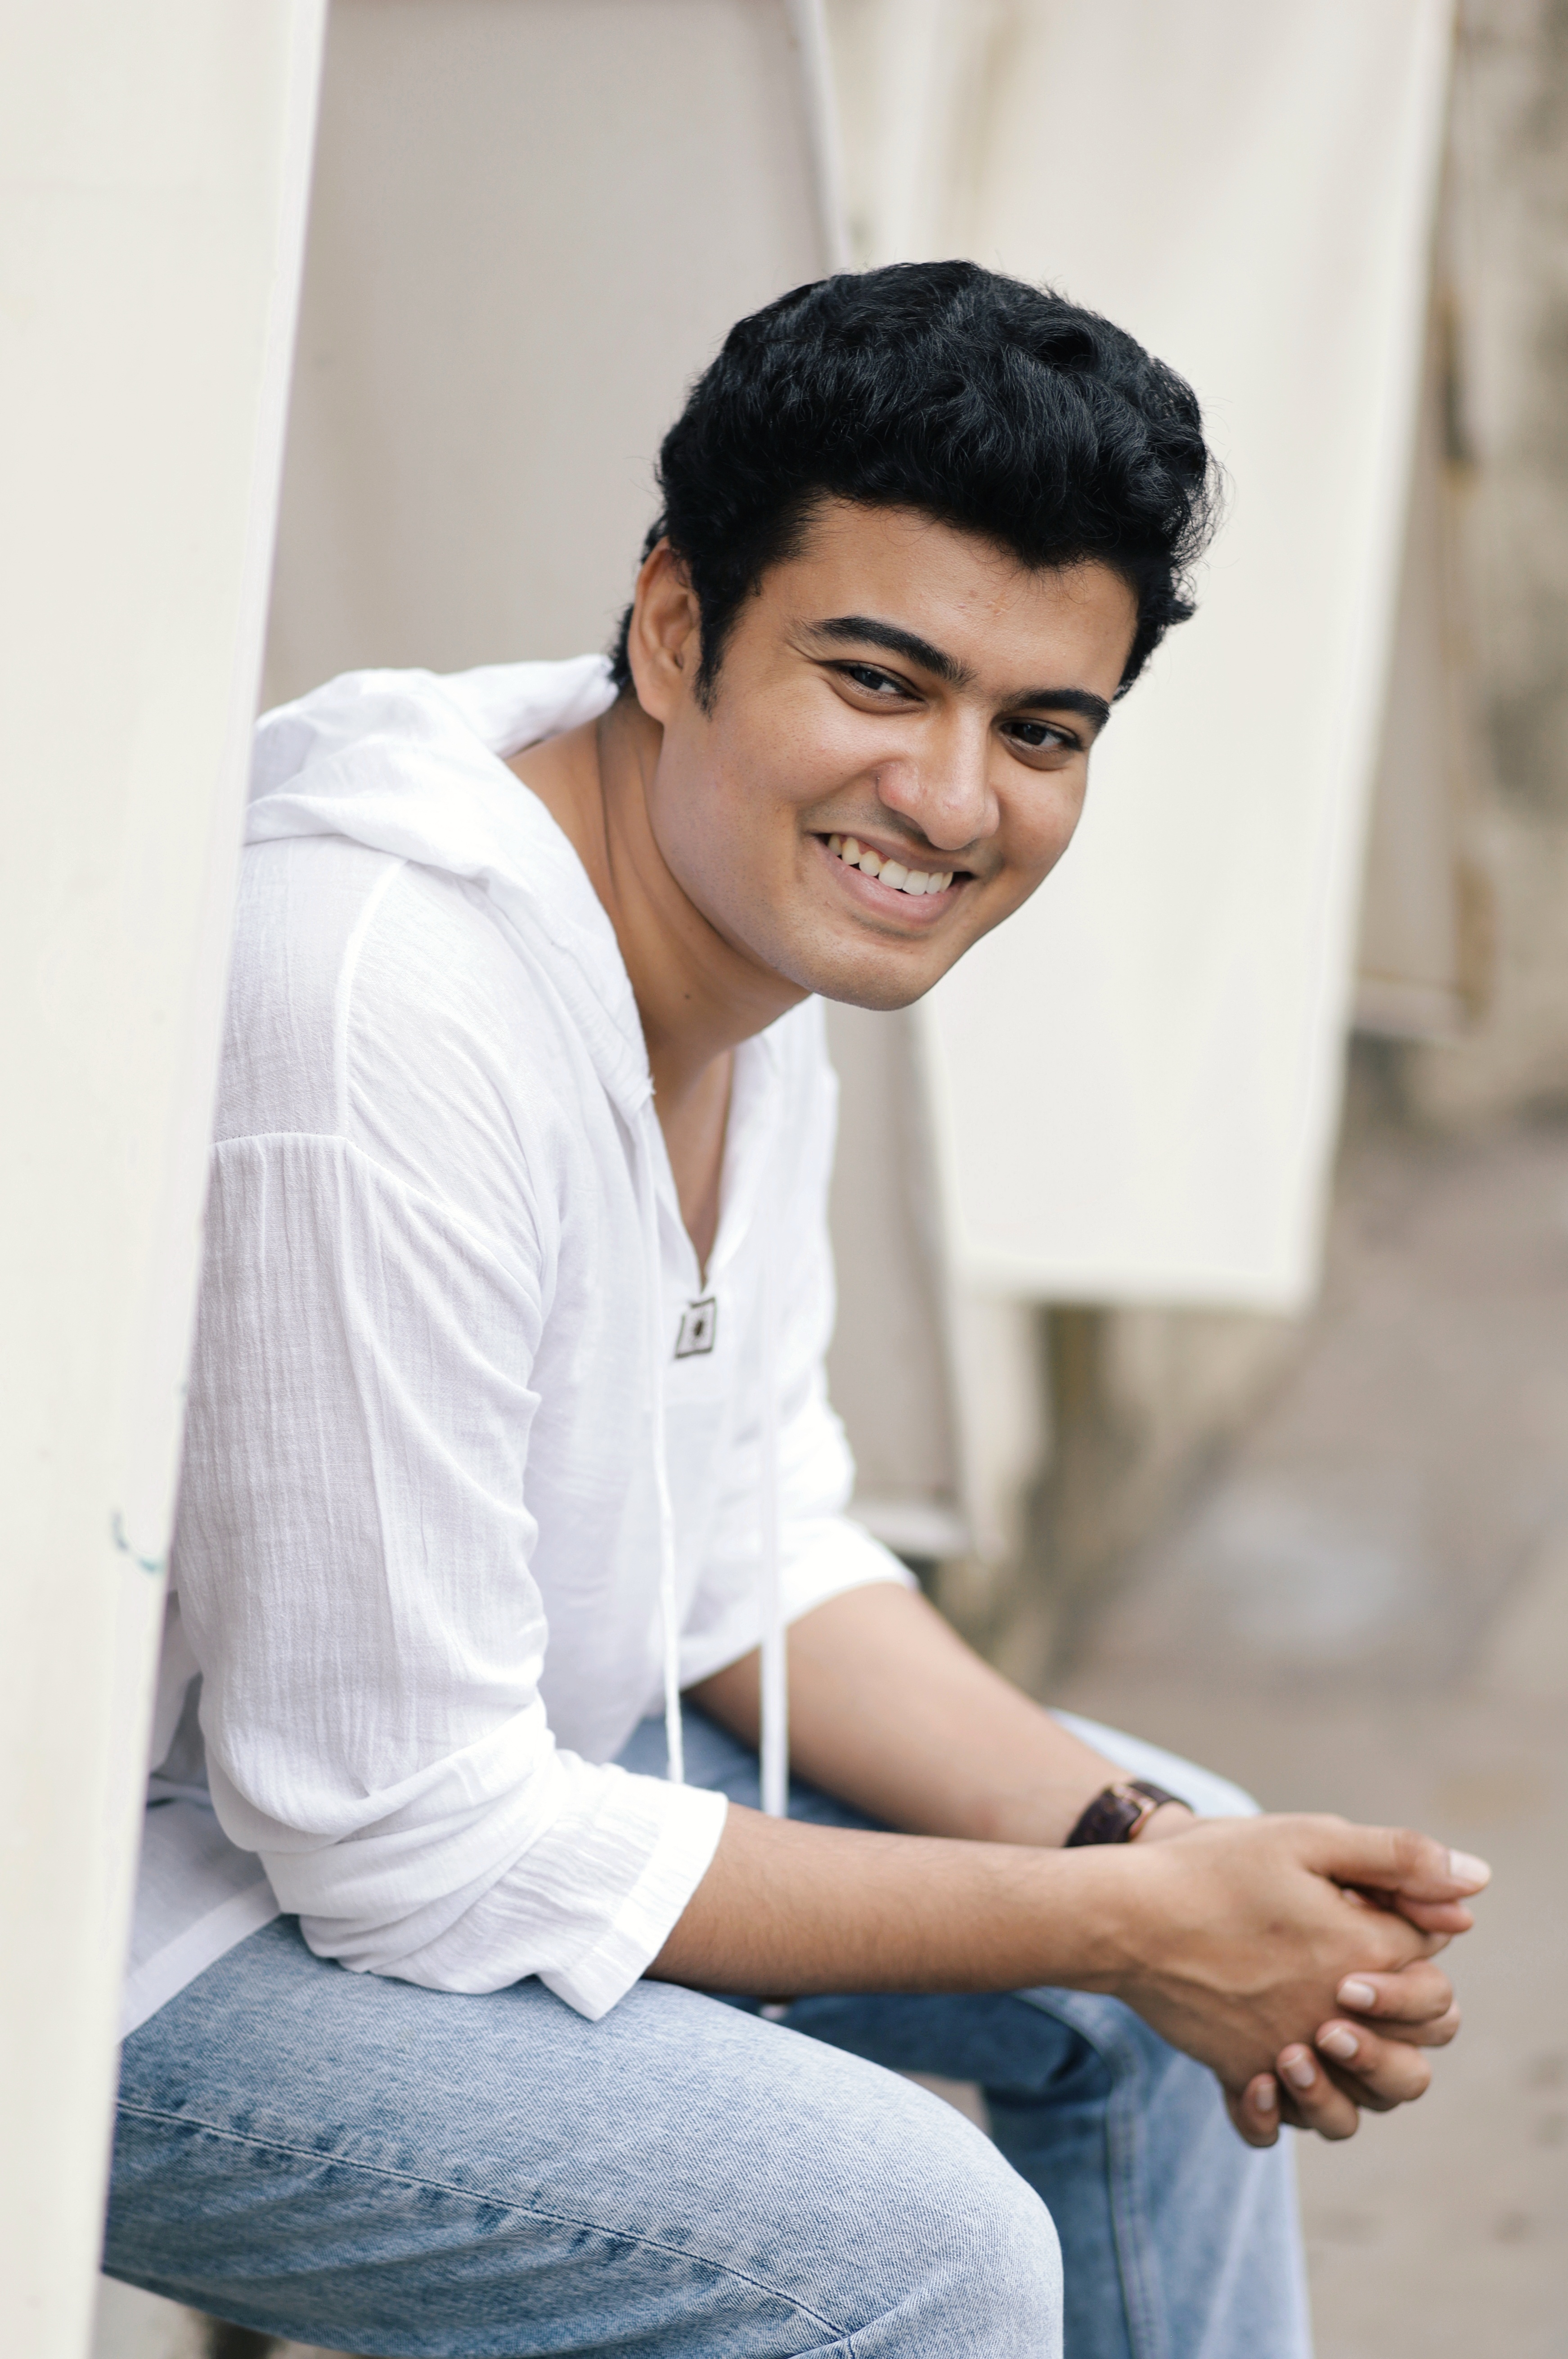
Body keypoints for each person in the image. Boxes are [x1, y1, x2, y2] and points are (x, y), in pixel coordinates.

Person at [105, 262, 1485, 2359]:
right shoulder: (379, 1002)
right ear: (676, 628)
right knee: (915, 2250)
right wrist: (1113, 1920)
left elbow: (741, 1547)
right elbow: (409, 1843)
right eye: (878, 680)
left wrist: (1144, 1858)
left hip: (406, 1793)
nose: (948, 801)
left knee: (1197, 1926)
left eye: (1038, 732)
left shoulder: (743, 927)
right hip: (109, 1921)